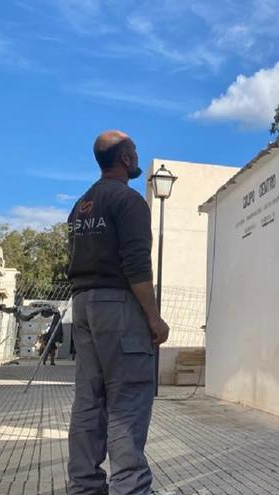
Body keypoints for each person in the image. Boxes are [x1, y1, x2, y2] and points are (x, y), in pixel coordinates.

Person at [66, 130, 170, 495]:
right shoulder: (128, 201)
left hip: (82, 305)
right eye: (135, 152)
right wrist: (153, 318)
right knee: (127, 398)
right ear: (125, 159)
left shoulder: (81, 204)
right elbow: (137, 265)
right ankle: (130, 488)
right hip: (118, 307)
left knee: (89, 400)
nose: (138, 156)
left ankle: (84, 486)